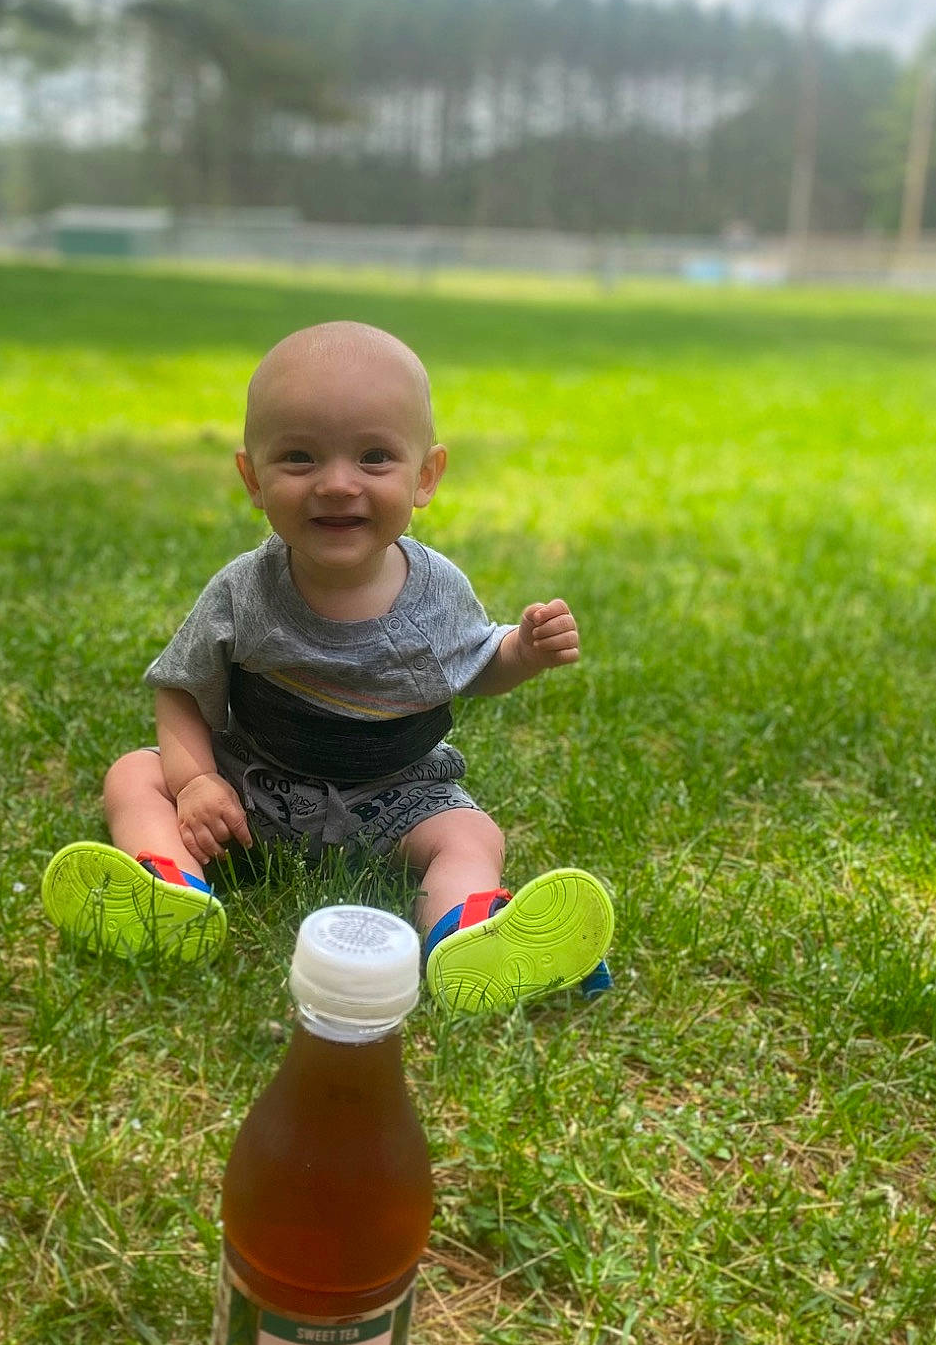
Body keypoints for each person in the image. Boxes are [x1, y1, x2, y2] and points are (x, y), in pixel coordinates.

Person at [42, 321, 614, 1012]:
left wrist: (521, 652)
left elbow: (477, 665)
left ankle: (467, 932)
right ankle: (168, 886)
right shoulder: (243, 592)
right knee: (135, 774)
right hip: (252, 791)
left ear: (425, 476)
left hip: (394, 797)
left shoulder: (438, 593)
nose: (338, 485)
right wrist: (195, 783)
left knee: (471, 833)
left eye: (374, 457)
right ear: (253, 479)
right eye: (300, 458)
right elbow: (183, 691)